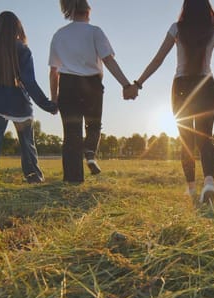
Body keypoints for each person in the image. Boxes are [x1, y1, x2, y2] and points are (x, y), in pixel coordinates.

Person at [134, 0, 214, 203]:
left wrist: (138, 83)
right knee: (205, 139)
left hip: (181, 88)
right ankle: (209, 182)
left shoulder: (177, 29)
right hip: (206, 87)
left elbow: (158, 59)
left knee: (187, 141)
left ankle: (192, 189)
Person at [49, 0, 137, 184]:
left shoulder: (59, 34)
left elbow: (54, 71)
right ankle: (89, 151)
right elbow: (108, 60)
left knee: (71, 134)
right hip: (91, 85)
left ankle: (73, 181)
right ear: (88, 11)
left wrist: (54, 98)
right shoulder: (95, 32)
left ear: (69, 11)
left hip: (67, 85)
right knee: (94, 125)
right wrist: (126, 85)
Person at [0, 11, 57, 183]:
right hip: (20, 105)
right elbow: (29, 82)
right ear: (17, 28)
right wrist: (47, 105)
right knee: (27, 146)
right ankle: (34, 178)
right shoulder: (22, 49)